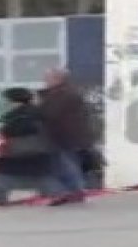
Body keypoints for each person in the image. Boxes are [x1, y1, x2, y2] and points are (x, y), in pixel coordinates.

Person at [0, 87, 58, 205]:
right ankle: (55, 195)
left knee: (3, 179)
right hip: (37, 152)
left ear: (15, 101)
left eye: (6, 100)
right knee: (42, 177)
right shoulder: (35, 112)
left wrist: (4, 130)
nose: (4, 103)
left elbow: (20, 129)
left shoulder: (21, 116)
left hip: (18, 153)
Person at [37, 68, 98, 203]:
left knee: (67, 165)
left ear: (58, 79)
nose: (45, 81)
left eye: (48, 78)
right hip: (62, 137)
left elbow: (50, 113)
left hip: (65, 137)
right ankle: (67, 191)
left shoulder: (65, 94)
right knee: (62, 165)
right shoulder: (60, 93)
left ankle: (75, 191)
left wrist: (38, 105)